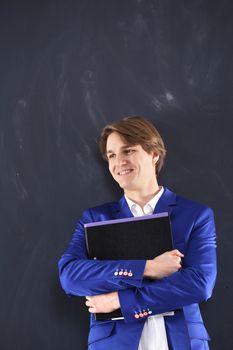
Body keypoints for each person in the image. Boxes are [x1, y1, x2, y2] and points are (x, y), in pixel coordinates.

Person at [58, 116, 217, 350]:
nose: (118, 162)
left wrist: (118, 300)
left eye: (128, 151)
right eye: (111, 155)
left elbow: (199, 285)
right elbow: (70, 276)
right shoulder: (95, 219)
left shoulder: (195, 215)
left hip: (181, 341)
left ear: (154, 154)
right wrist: (147, 268)